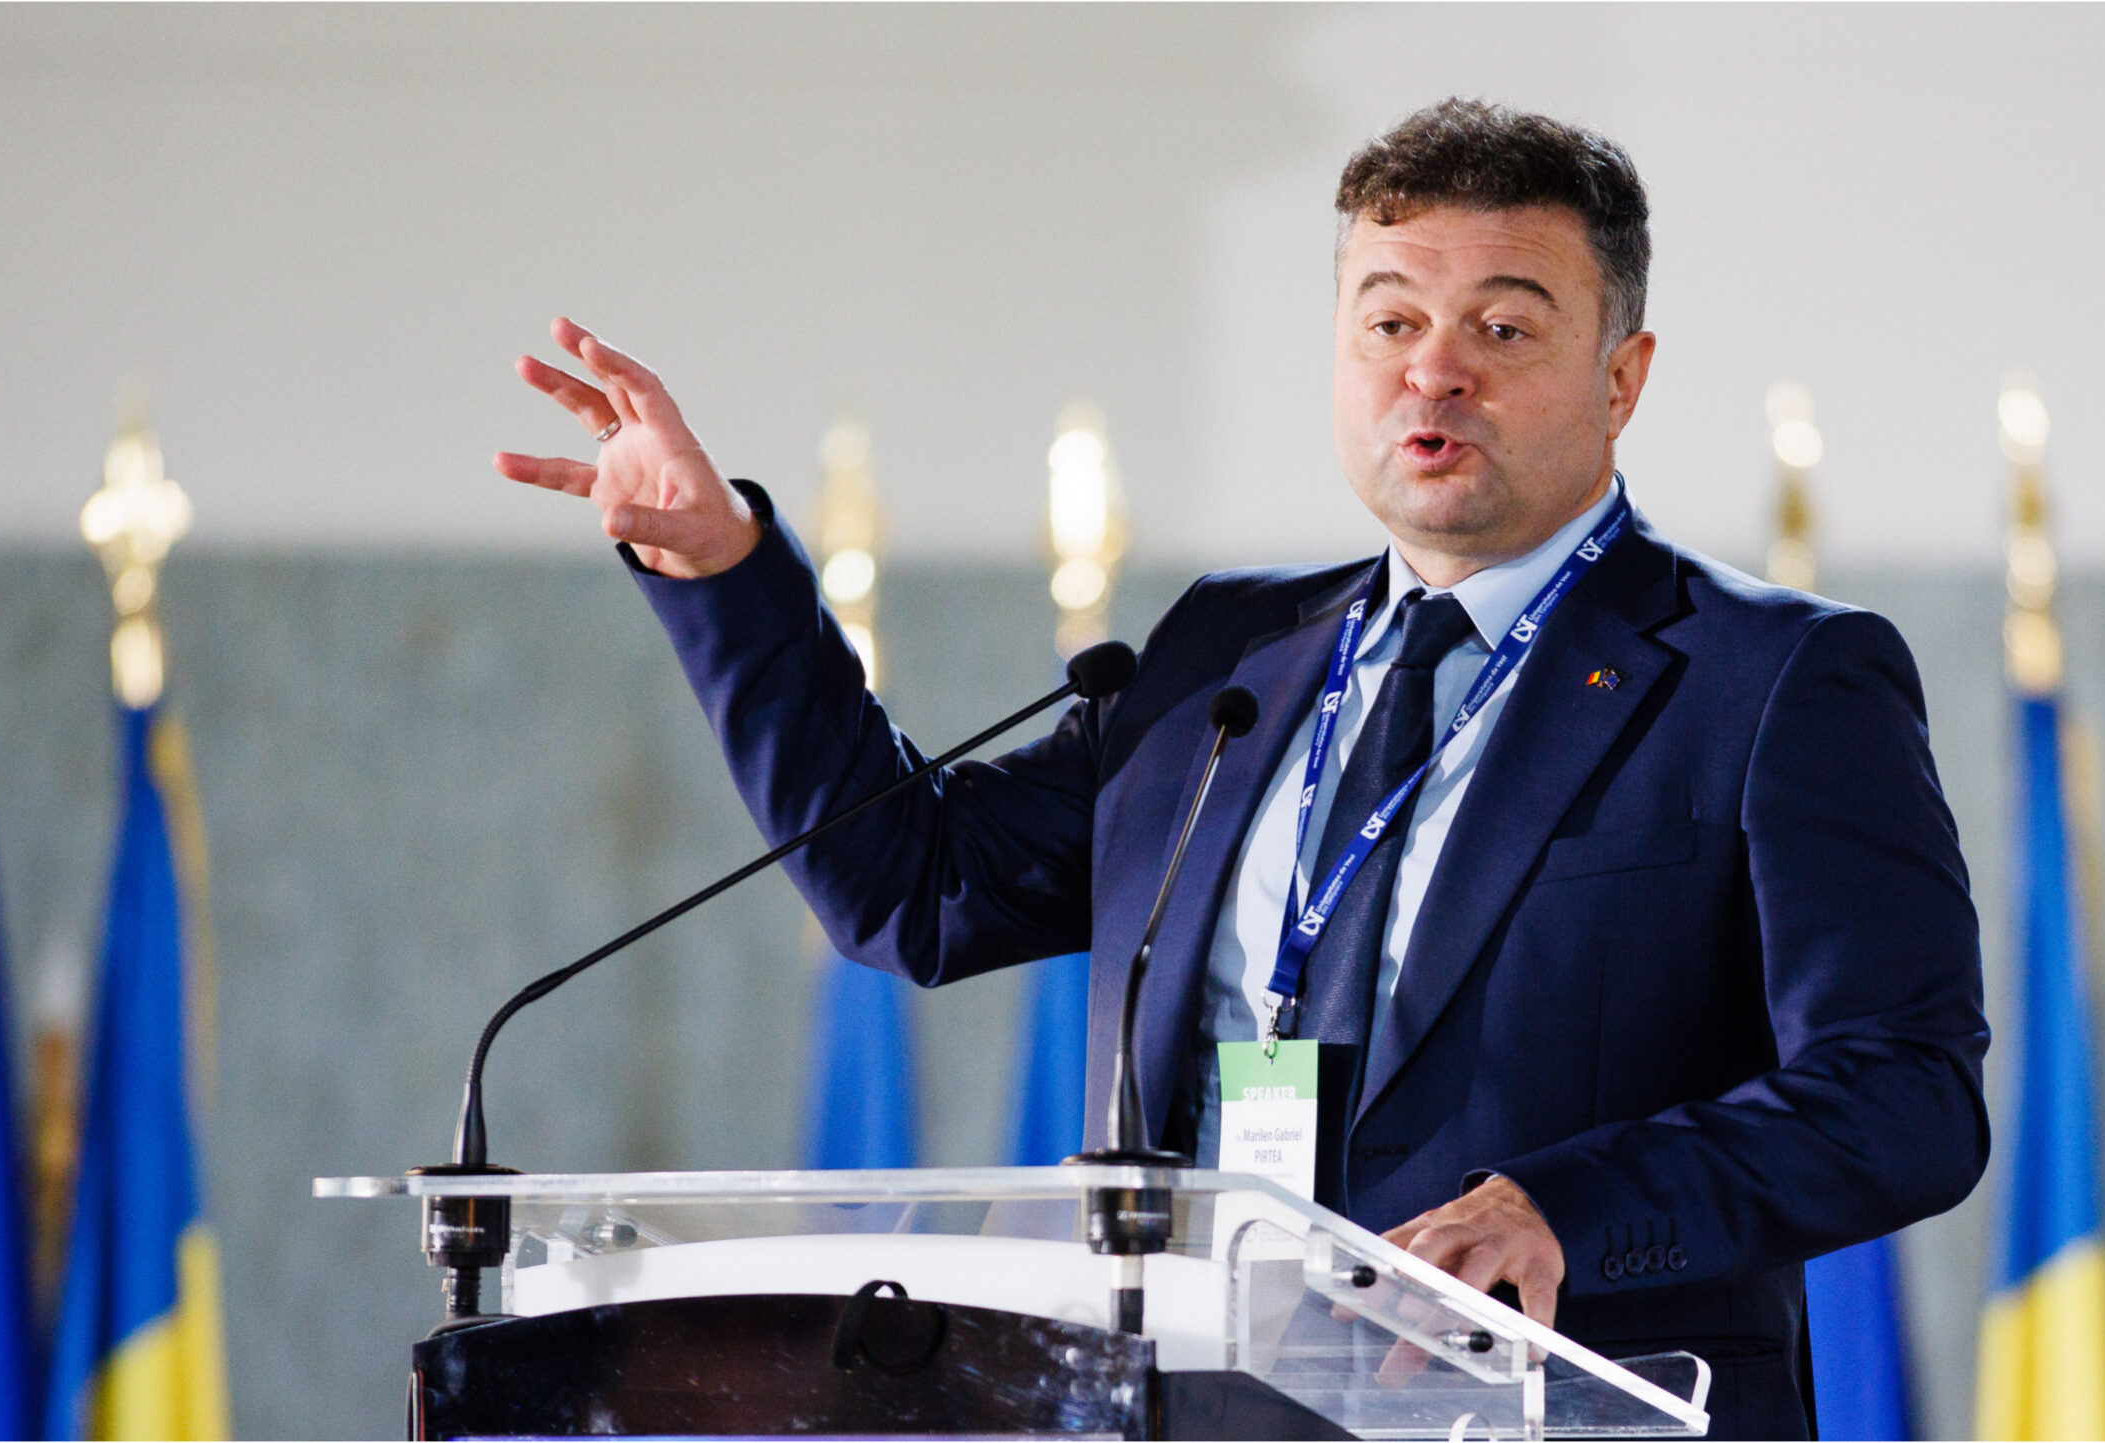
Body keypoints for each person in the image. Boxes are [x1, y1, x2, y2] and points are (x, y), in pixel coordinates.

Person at [495, 98, 1988, 1439]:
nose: (1435, 373)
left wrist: (1564, 1207)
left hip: (1565, 1406)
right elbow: (912, 884)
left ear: (1623, 377)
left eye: (1503, 329)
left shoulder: (1770, 679)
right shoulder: (1234, 654)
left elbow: (1907, 1093)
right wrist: (727, 572)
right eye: (1389, 323)